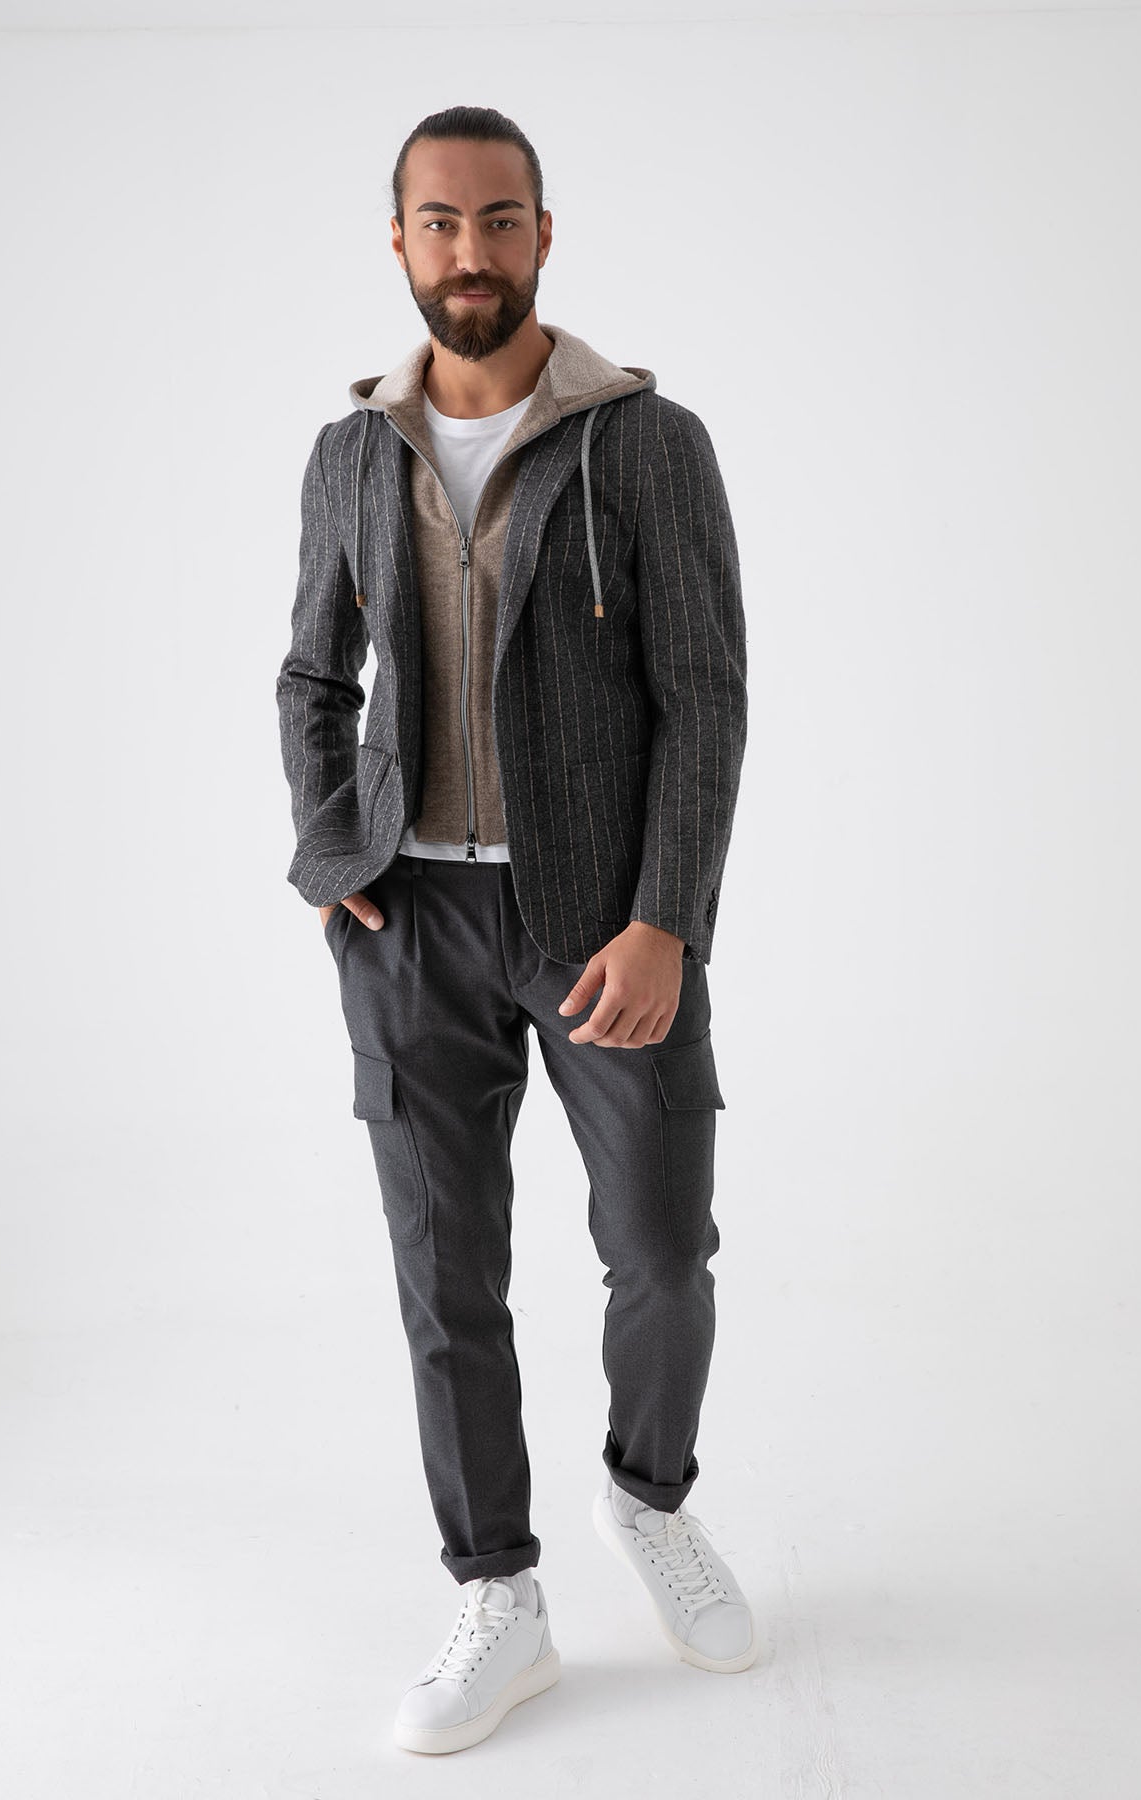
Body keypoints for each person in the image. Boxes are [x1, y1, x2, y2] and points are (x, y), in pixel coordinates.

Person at [276, 104, 753, 1755]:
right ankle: (499, 1592)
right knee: (446, 1279)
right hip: (410, 922)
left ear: (544, 235)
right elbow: (312, 675)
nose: (468, 252)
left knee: (664, 1254)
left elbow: (704, 699)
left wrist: (667, 918)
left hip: (603, 923)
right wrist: (330, 853)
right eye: (439, 222)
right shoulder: (352, 453)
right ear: (400, 241)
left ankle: (652, 1495)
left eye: (497, 220)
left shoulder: (646, 442)